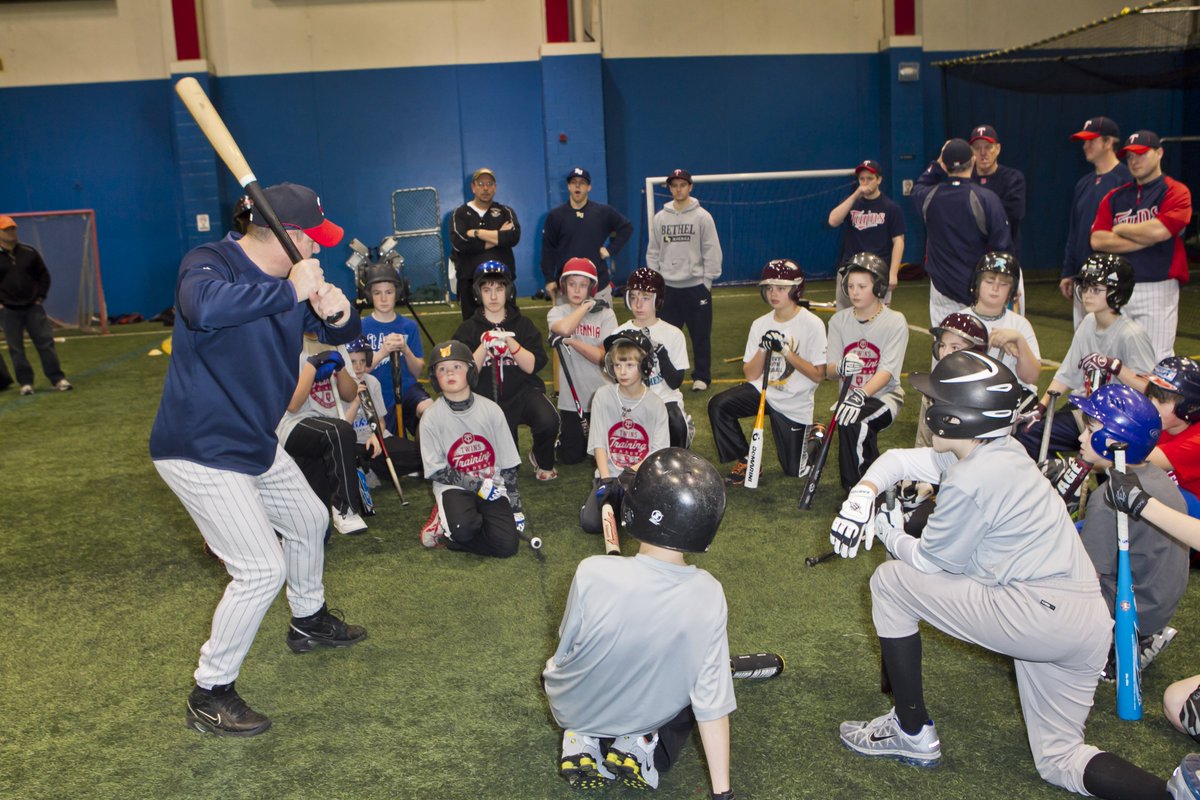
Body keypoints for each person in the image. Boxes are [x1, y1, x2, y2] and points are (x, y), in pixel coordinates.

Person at [830, 350, 1177, 799]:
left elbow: (928, 564)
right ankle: (1173, 794)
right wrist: (864, 492)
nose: (930, 408)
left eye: (936, 401)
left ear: (956, 418)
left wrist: (884, 530)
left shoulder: (972, 478)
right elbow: (898, 459)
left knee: (890, 583)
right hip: (1085, 622)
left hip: (1035, 614)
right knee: (1060, 759)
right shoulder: (1001, 450)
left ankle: (910, 729)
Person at [148, 182, 367, 737]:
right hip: (198, 447)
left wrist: (339, 315)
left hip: (253, 439)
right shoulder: (210, 260)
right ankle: (210, 691)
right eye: (312, 241)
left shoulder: (292, 283)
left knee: (310, 519)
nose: (318, 250)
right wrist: (289, 292)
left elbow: (342, 333)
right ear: (289, 238)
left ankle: (309, 620)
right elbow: (202, 308)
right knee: (259, 569)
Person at [544, 447, 735, 797]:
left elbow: (567, 646)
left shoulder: (591, 571)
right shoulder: (709, 593)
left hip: (572, 706)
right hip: (644, 712)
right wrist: (723, 795)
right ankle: (641, 739)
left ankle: (581, 738)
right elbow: (712, 703)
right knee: (690, 683)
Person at [1070, 383, 1187, 680]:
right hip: (1157, 603)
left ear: (1113, 440)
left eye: (1090, 429)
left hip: (1130, 612)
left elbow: (1085, 578)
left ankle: (1112, 645)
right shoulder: (1156, 475)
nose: (1081, 437)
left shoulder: (1107, 497)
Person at [1018, 253, 1154, 461]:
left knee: (1105, 471)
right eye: (1086, 288)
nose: (1088, 295)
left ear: (1117, 292)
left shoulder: (1131, 334)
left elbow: (1149, 390)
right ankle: (1061, 482)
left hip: (1114, 419)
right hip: (1084, 408)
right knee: (1029, 432)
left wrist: (1115, 366)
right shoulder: (1088, 322)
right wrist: (1041, 407)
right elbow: (1067, 373)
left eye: (1096, 289)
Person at [709, 259, 827, 485]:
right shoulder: (759, 324)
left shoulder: (812, 324)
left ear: (795, 289)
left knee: (795, 471)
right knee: (719, 405)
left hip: (795, 401)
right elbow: (750, 376)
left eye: (781, 288)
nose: (773, 293)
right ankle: (745, 460)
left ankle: (815, 435)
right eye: (769, 288)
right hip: (763, 392)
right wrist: (763, 348)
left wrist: (785, 351)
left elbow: (818, 375)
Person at [1091, 130, 1192, 362]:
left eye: (1141, 154)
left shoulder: (1176, 191)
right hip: (1117, 286)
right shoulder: (1114, 196)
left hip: (1158, 287)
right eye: (1130, 157)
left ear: (1159, 153)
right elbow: (1097, 240)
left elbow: (1161, 231)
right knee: (1114, 358)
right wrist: (1145, 237)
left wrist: (1120, 229)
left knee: (1156, 358)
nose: (1134, 161)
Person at [453, 261, 559, 480]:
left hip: (523, 392)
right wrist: (484, 345)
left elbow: (532, 365)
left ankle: (541, 457)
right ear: (478, 293)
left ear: (508, 291)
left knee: (548, 420)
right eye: (486, 290)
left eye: (499, 289)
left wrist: (510, 343)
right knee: (508, 470)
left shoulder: (523, 325)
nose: (493, 296)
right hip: (487, 399)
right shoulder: (468, 328)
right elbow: (465, 372)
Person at [417, 340, 523, 556]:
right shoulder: (430, 418)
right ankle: (448, 525)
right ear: (435, 378)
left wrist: (515, 506)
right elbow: (436, 470)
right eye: (442, 369)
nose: (449, 373)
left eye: (457, 367)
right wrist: (476, 485)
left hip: (492, 485)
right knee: (462, 530)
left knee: (507, 547)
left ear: (471, 371)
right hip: (454, 487)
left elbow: (509, 464)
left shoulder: (491, 410)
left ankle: (465, 528)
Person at [826, 253, 908, 492]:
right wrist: (839, 367)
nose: (855, 292)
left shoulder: (895, 321)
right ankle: (880, 482)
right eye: (850, 286)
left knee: (855, 420)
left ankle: (856, 488)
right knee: (851, 419)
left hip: (884, 397)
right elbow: (830, 372)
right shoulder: (839, 321)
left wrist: (859, 394)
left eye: (862, 286)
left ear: (879, 286)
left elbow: (886, 371)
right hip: (849, 399)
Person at [911, 139, 1012, 327]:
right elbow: (1002, 248)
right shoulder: (986, 198)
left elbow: (918, 185)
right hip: (979, 289)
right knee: (984, 350)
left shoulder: (928, 196)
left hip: (942, 290)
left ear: (944, 164)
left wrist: (937, 164)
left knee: (946, 349)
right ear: (973, 161)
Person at [578, 330, 669, 535]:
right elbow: (599, 443)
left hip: (640, 477)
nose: (622, 372)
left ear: (645, 366)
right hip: (609, 477)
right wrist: (606, 480)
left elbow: (657, 453)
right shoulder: (602, 396)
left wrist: (626, 477)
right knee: (591, 524)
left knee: (646, 526)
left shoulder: (655, 405)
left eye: (630, 365)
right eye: (618, 365)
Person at [277, 343, 370, 535]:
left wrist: (340, 368)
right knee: (340, 431)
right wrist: (313, 365)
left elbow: (350, 394)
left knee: (318, 532)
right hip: (293, 424)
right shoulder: (288, 342)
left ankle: (314, 519)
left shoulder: (336, 343)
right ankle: (345, 509)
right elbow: (293, 405)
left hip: (328, 433)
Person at [645, 168, 723, 392]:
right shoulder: (660, 218)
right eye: (674, 185)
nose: (678, 189)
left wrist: (706, 281)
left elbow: (711, 250)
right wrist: (656, 282)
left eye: (682, 185)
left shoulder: (702, 217)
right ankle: (667, 376)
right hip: (669, 289)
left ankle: (702, 377)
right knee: (665, 336)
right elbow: (653, 251)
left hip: (696, 288)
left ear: (690, 187)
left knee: (700, 337)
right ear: (669, 188)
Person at [546, 257, 618, 465]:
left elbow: (602, 357)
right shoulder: (557, 312)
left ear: (591, 288)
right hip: (572, 400)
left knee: (604, 459)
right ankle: (563, 440)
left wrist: (572, 342)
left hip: (602, 396)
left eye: (583, 285)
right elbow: (564, 328)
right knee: (571, 458)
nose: (577, 290)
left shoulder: (606, 314)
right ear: (564, 286)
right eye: (572, 284)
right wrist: (585, 307)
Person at [1061, 116, 1132, 328]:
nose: (1085, 145)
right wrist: (1068, 272)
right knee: (1084, 339)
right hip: (1085, 276)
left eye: (1091, 140)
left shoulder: (1126, 180)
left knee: (1114, 341)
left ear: (1109, 143)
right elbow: (1074, 232)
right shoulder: (1084, 183)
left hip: (1113, 279)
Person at [614, 267, 692, 448]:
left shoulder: (673, 334)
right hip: (630, 399)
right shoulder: (618, 333)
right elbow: (613, 381)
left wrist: (661, 352)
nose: (638, 304)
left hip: (665, 399)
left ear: (658, 300)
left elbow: (675, 383)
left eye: (646, 298)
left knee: (675, 423)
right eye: (633, 297)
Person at [0, 215, 71, 394]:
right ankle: (25, 383)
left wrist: (40, 297)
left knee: (45, 343)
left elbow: (43, 275)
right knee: (16, 348)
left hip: (33, 307)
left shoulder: (28, 252)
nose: (11, 232)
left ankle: (57, 378)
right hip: (8, 310)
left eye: (12, 228)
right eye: (6, 230)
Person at [540, 167, 633, 304]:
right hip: (567, 287)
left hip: (598, 285)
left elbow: (627, 227)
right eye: (574, 182)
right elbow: (548, 249)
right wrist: (549, 279)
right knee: (568, 326)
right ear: (568, 186)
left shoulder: (603, 212)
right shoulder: (556, 216)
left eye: (582, 183)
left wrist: (610, 250)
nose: (577, 186)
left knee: (603, 326)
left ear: (589, 187)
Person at [360, 262, 431, 436]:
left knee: (430, 412)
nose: (384, 299)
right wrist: (383, 351)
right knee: (391, 444)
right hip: (377, 395)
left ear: (397, 294)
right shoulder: (362, 327)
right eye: (378, 293)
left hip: (407, 390)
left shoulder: (409, 326)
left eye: (389, 292)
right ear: (370, 295)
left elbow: (416, 371)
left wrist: (406, 350)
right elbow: (359, 372)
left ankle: (428, 457)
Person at [344, 338, 423, 487]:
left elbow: (381, 421)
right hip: (353, 442)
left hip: (377, 439)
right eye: (353, 361)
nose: (359, 366)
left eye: (362, 360)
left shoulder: (372, 382)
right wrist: (355, 402)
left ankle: (373, 468)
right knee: (353, 456)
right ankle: (366, 467)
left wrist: (376, 436)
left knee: (419, 453)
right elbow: (342, 428)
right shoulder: (337, 387)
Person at [826, 160, 906, 307]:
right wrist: (856, 195)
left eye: (870, 178)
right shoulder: (851, 203)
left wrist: (893, 273)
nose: (865, 182)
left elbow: (899, 241)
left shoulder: (891, 208)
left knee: (877, 318)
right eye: (862, 179)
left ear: (879, 180)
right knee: (844, 315)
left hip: (878, 271)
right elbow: (833, 221)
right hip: (850, 268)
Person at [961, 252, 1042, 388]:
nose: (995, 288)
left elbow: (1030, 377)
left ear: (1011, 291)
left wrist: (1019, 340)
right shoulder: (959, 321)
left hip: (1014, 396)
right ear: (977, 284)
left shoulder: (1020, 324)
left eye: (1004, 284)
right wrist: (984, 346)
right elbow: (947, 371)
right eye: (989, 281)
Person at [450, 167, 521, 320]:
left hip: (502, 281)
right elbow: (460, 243)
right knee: (472, 331)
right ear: (473, 187)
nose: (485, 188)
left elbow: (513, 237)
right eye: (481, 183)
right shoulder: (460, 213)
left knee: (508, 326)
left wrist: (477, 233)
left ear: (495, 187)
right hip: (469, 282)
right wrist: (498, 237)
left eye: (489, 184)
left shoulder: (505, 211)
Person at [913, 311, 989, 448]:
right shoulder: (932, 392)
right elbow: (923, 444)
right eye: (942, 345)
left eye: (954, 347)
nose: (945, 353)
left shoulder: (985, 395)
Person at [1145, 356, 1200, 514]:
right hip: (1177, 497)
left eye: (1161, 401)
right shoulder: (1166, 423)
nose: (1151, 405)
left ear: (1189, 408)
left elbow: (1132, 455)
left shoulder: (1195, 442)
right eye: (1150, 396)